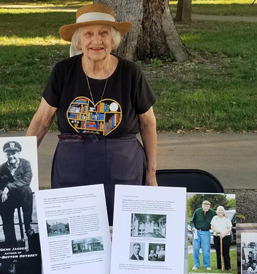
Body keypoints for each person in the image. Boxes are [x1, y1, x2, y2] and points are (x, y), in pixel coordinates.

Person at [26, 4, 158, 226]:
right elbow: (42, 119)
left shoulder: (131, 73)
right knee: (73, 231)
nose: (96, 41)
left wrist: (151, 174)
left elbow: (148, 123)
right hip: (73, 170)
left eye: (103, 33)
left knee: (123, 228)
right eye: (88, 34)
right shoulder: (63, 71)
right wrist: (23, 160)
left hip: (122, 169)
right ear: (78, 40)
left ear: (113, 39)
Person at [0, 141, 34, 244]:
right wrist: (1, 193)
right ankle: (11, 244)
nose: (11, 156)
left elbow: (26, 180)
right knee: (7, 222)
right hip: (7, 199)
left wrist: (8, 187)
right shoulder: (1, 169)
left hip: (21, 198)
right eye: (8, 154)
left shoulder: (26, 164)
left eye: (13, 153)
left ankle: (28, 226)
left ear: (19, 153)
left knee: (27, 190)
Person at [189, 200, 216, 270]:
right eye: (205, 206)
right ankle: (196, 265)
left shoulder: (213, 212)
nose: (206, 207)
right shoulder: (197, 211)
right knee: (195, 249)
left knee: (206, 249)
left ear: (209, 206)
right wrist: (193, 227)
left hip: (206, 232)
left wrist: (224, 215)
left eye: (208, 206)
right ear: (202, 205)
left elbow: (218, 217)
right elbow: (191, 221)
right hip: (196, 231)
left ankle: (207, 265)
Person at [210, 206, 232, 270]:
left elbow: (229, 228)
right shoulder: (214, 218)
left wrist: (224, 234)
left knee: (226, 252)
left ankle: (228, 267)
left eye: (222, 210)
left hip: (226, 236)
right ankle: (219, 267)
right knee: (218, 252)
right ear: (217, 211)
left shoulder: (226, 218)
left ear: (224, 211)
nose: (220, 211)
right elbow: (212, 226)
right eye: (219, 210)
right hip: (217, 236)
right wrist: (216, 230)